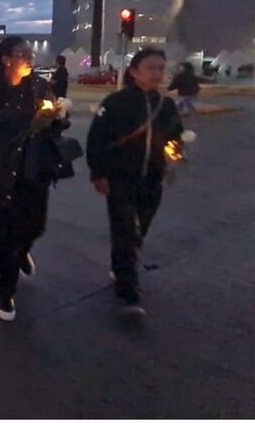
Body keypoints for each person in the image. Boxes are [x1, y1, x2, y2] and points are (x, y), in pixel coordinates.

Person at [0, 36, 65, 322]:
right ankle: (5, 291)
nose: (29, 57)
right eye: (22, 53)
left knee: (35, 225)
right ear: (6, 59)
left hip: (34, 170)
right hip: (1, 173)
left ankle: (22, 252)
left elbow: (55, 122)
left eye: (30, 53)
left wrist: (55, 117)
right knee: (5, 234)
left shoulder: (40, 87)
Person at [86, 48, 183, 317]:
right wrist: (98, 174)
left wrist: (175, 150)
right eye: (151, 67)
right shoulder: (115, 103)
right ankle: (129, 293)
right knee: (125, 230)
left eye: (161, 68)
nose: (157, 73)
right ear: (134, 72)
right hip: (121, 179)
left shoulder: (166, 106)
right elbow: (96, 140)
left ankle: (121, 264)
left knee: (140, 229)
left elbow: (175, 135)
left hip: (152, 179)